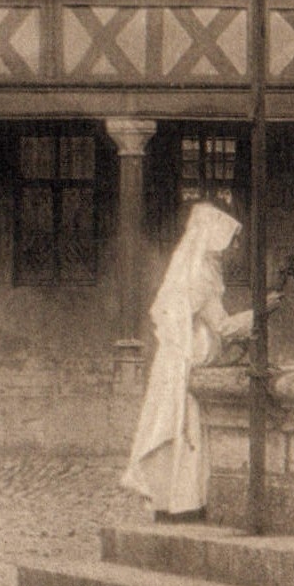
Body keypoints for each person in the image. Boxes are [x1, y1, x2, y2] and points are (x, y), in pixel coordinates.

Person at [122, 200, 247, 522]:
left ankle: (171, 501)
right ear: (215, 240)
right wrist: (260, 313)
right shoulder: (200, 276)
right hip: (184, 364)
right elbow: (223, 326)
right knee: (184, 426)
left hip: (178, 359)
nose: (235, 248)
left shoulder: (193, 270)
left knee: (179, 427)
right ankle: (183, 502)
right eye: (232, 241)